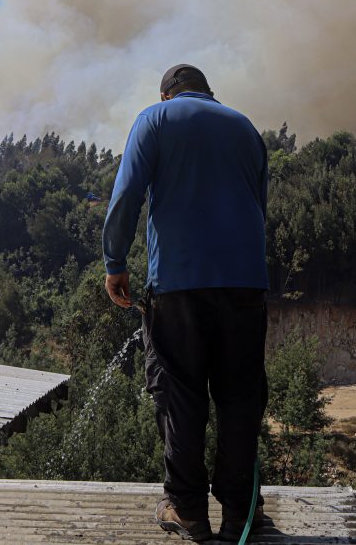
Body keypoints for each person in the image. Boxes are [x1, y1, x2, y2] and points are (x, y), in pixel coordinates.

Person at [102, 64, 270, 542]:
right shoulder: (245, 128)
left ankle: (188, 510)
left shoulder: (154, 121)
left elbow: (127, 195)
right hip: (245, 285)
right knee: (240, 396)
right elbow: (260, 207)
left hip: (178, 285)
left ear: (165, 95)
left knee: (180, 395)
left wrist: (115, 262)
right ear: (208, 92)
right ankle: (242, 512)